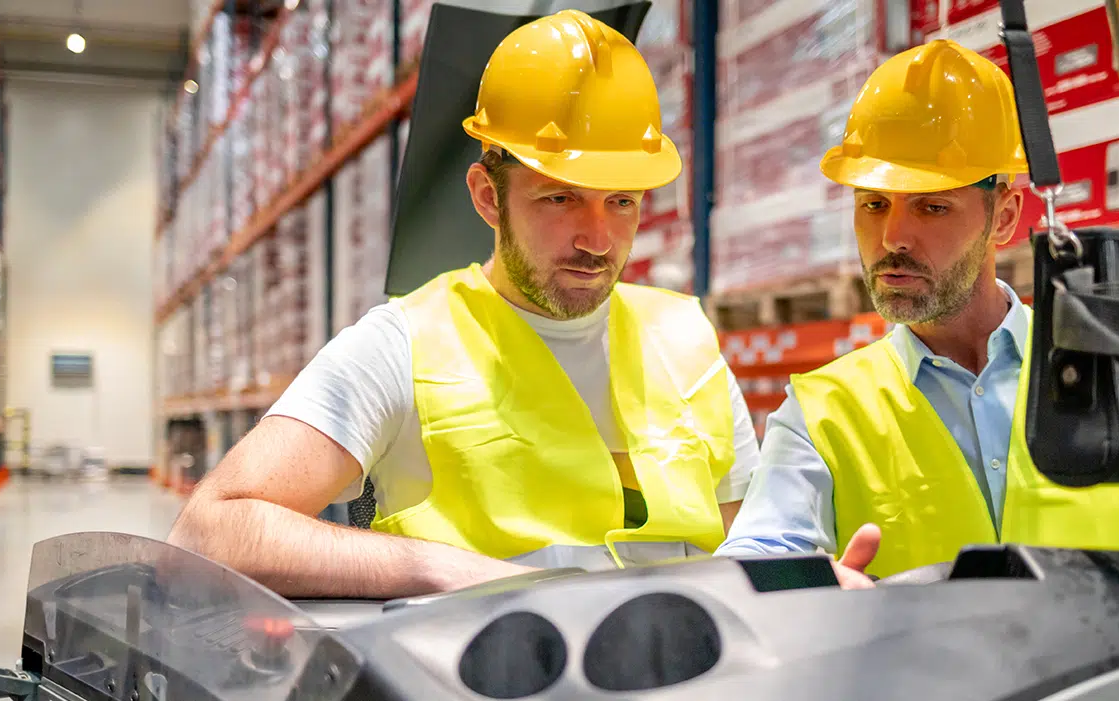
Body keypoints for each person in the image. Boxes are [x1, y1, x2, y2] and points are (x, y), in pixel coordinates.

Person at [168, 10, 760, 600]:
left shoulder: (687, 340)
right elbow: (207, 529)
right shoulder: (403, 345)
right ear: (487, 196)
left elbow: (751, 549)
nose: (597, 239)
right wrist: (442, 569)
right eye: (561, 198)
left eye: (622, 202)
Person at [713, 39, 1119, 588]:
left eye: (932, 207)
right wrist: (811, 583)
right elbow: (754, 563)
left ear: (1004, 217)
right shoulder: (819, 414)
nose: (893, 237)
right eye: (873, 204)